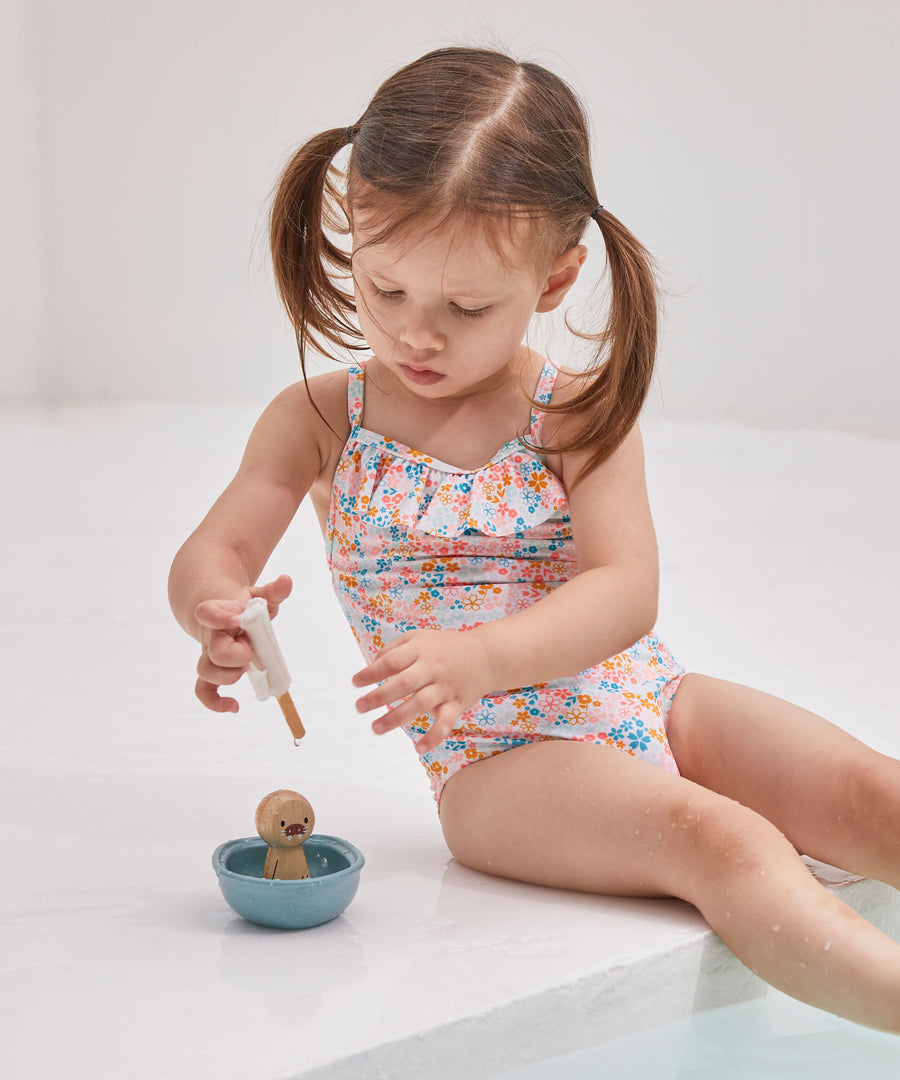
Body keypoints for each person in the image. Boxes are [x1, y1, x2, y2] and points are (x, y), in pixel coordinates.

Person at [168, 46, 900, 1030]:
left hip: (648, 695)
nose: (416, 336)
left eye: (465, 307)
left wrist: (483, 653)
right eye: (386, 291)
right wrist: (218, 609)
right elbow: (217, 549)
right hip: (498, 763)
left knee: (870, 792)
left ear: (554, 280)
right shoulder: (319, 420)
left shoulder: (574, 411)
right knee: (721, 843)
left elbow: (625, 587)